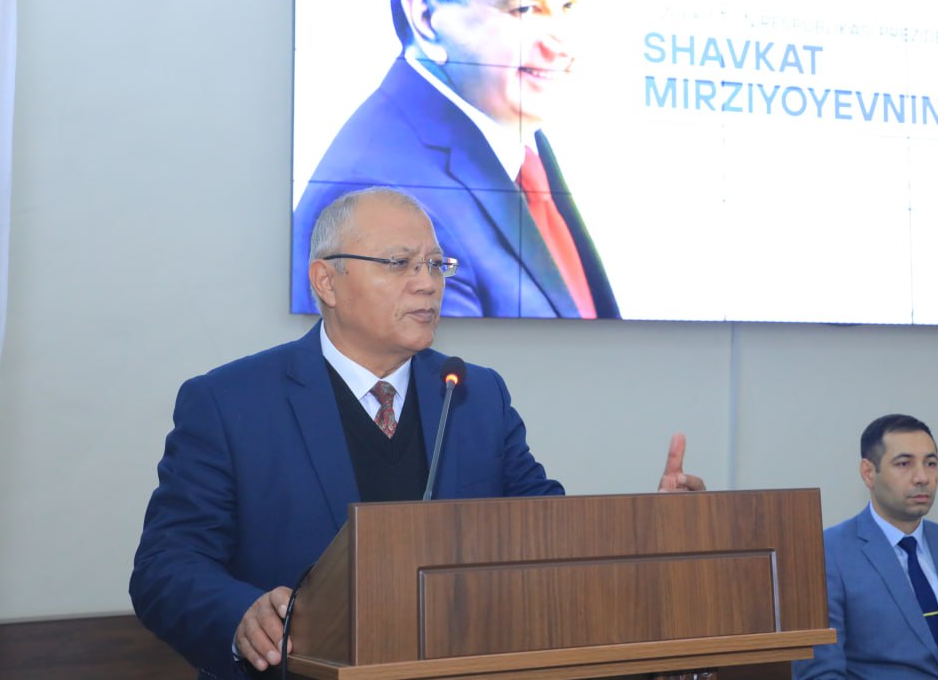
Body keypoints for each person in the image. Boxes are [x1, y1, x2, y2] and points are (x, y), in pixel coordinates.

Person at [132, 188, 701, 679]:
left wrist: (654, 532)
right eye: (399, 263)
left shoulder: (476, 394)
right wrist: (240, 614)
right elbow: (166, 567)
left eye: (435, 265)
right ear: (327, 281)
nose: (427, 284)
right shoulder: (231, 403)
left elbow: (547, 535)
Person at [291, 0, 617, 320]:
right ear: (425, 17)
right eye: (525, 8)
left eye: (567, 7)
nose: (561, 44)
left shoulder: (511, 134)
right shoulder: (379, 196)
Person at [793, 414, 938, 679]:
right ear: (868, 473)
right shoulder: (827, 555)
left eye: (931, 463)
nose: (922, 477)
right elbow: (820, 674)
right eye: (904, 464)